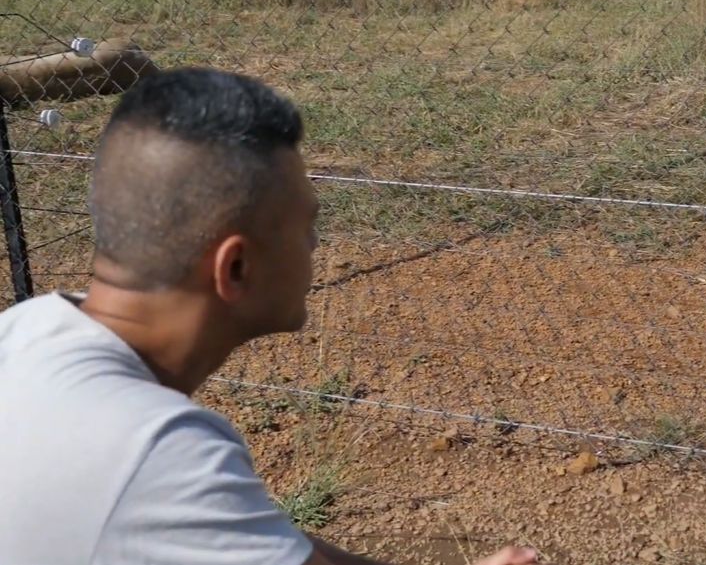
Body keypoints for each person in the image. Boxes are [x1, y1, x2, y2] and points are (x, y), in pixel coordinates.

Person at [0, 67, 538, 565]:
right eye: (306, 227)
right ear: (235, 267)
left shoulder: (26, 331)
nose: (315, 244)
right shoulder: (159, 451)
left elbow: (276, 547)